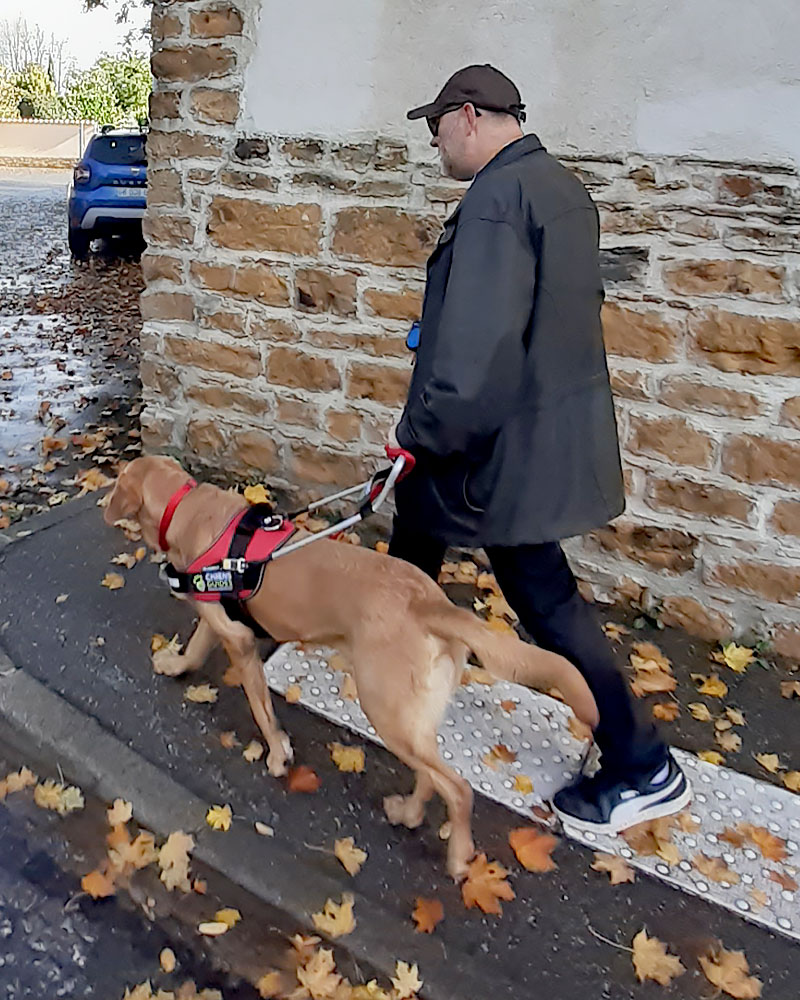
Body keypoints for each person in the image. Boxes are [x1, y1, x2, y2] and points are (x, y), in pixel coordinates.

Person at [390, 64, 690, 834]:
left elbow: (477, 351)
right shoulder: (558, 186)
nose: (435, 148)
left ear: (468, 117)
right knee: (415, 533)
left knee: (543, 599)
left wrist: (421, 432)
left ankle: (640, 762)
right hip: (531, 430)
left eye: (436, 133)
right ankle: (393, 661)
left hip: (498, 446)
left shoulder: (495, 200)